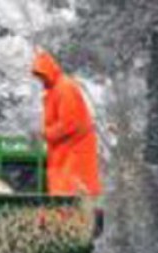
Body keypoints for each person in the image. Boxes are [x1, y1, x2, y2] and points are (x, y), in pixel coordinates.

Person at [32, 49, 102, 197]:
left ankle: (70, 219)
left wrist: (45, 134)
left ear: (48, 71)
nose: (40, 80)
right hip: (67, 151)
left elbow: (69, 123)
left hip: (74, 151)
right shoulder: (57, 90)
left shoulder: (64, 89)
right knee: (66, 194)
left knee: (71, 194)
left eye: (41, 75)